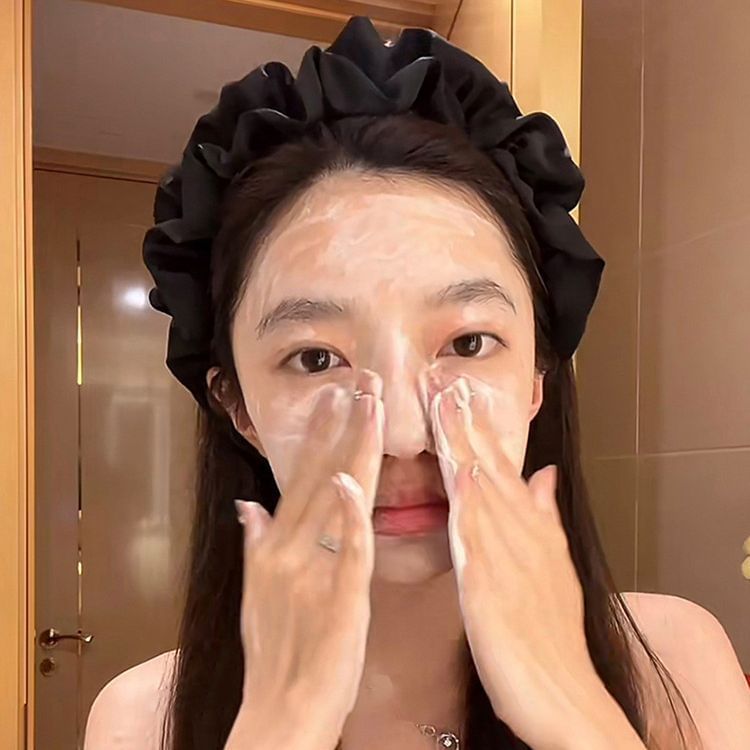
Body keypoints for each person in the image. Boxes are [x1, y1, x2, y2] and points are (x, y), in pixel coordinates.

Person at [83, 15, 750, 750]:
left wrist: (582, 721)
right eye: (315, 359)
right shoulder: (142, 721)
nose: (403, 435)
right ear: (237, 405)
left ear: (536, 378)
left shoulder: (673, 664)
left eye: (467, 343)